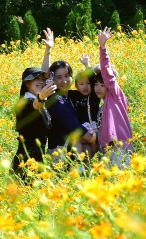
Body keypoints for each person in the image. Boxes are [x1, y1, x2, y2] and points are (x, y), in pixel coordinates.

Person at [40, 28, 92, 165]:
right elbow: (45, 76)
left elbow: (92, 85)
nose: (64, 81)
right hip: (59, 154)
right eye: (59, 77)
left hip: (71, 153)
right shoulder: (53, 97)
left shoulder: (72, 95)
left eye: (67, 76)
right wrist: (48, 50)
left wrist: (87, 66)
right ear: (53, 79)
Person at [90, 27, 134, 169]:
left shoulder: (115, 94)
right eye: (95, 84)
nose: (97, 88)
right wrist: (87, 66)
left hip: (120, 148)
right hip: (107, 150)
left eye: (101, 85)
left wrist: (103, 48)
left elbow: (107, 74)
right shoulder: (104, 105)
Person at [13, 67, 57, 179]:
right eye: (36, 79)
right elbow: (35, 105)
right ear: (27, 83)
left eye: (42, 79)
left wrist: (48, 50)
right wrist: (41, 97)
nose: (41, 82)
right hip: (25, 161)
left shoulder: (39, 101)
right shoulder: (25, 103)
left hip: (36, 159)